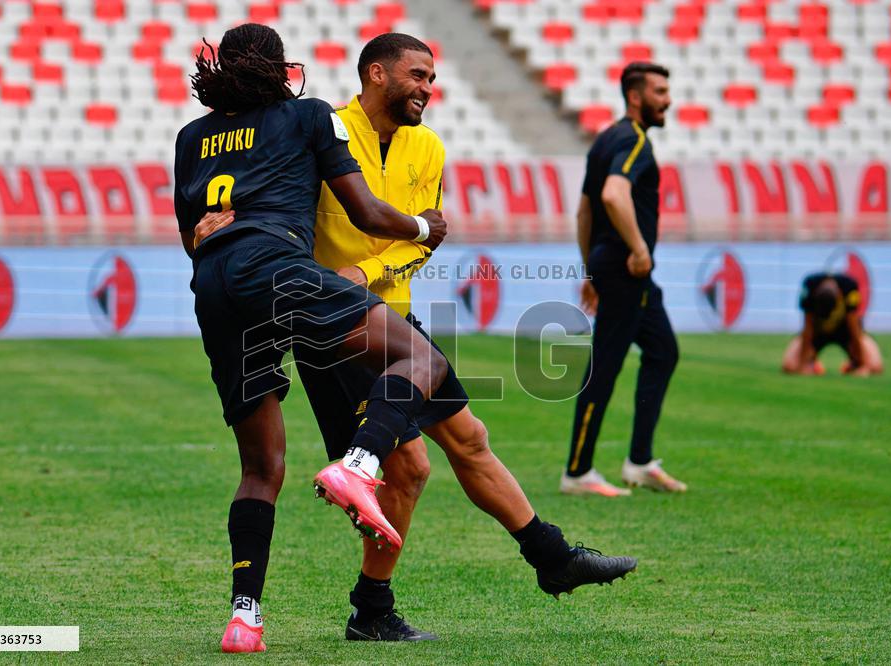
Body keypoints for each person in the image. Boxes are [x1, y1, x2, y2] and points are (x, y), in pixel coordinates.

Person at [195, 33, 638, 643]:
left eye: (432, 78)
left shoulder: (428, 147)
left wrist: (370, 271)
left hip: (388, 311)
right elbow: (279, 205)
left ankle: (551, 557)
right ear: (377, 74)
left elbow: (424, 239)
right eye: (418, 75)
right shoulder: (320, 128)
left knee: (469, 438)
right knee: (408, 466)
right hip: (333, 325)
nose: (428, 88)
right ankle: (372, 605)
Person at [174, 23, 451, 653]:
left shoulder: (191, 137)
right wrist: (422, 227)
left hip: (213, 284)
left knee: (260, 467)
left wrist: (213, 235)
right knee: (419, 356)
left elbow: (192, 236)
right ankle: (359, 464)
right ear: (281, 69)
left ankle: (244, 618)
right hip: (277, 266)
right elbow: (366, 213)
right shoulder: (307, 115)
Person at [561, 62, 687, 498]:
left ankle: (640, 462)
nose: (668, 99)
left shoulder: (605, 139)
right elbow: (614, 195)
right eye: (659, 91)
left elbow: (584, 211)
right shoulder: (634, 141)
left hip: (611, 268)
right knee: (606, 365)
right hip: (625, 269)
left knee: (663, 351)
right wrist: (639, 249)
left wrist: (589, 270)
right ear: (636, 97)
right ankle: (578, 472)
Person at [782, 272, 883, 376]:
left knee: (874, 366)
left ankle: (852, 364)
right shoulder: (810, 286)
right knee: (790, 366)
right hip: (818, 333)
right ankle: (813, 364)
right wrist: (802, 365)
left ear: (839, 295)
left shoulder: (849, 286)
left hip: (845, 333)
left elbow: (854, 329)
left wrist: (862, 365)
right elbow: (808, 328)